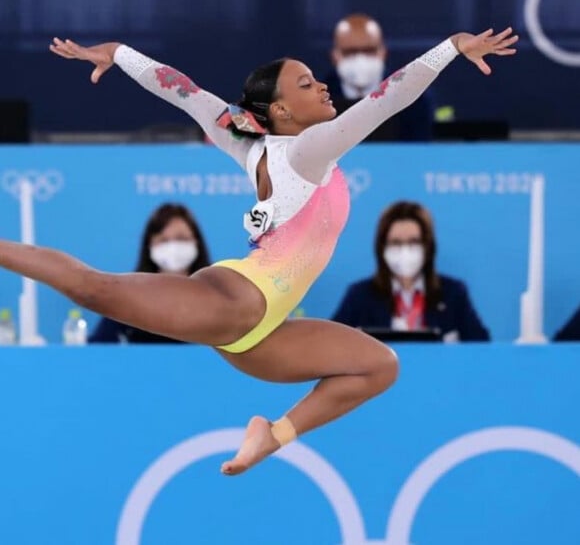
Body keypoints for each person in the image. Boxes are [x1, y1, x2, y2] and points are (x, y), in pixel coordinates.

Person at [0, 25, 515, 476]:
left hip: (262, 335)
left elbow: (185, 93)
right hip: (234, 305)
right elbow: (388, 99)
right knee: (96, 289)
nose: (323, 86)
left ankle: (273, 435)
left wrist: (119, 53)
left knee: (379, 366)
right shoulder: (311, 150)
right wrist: (450, 48)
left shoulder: (249, 145)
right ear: (283, 110)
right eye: (308, 83)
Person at [332, 201, 490, 342]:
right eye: (396, 243)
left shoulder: (453, 293)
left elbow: (481, 349)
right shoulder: (360, 295)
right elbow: (332, 345)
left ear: (428, 246)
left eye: (413, 242)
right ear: (382, 247)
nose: (404, 251)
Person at [89, 203, 211, 343]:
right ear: (150, 246)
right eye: (163, 240)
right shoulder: (129, 295)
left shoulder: (214, 292)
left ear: (196, 242)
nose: (173, 247)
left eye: (181, 238)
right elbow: (99, 348)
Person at [326, 13, 434, 141]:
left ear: (383, 52)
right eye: (350, 52)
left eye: (369, 51)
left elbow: (419, 151)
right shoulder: (317, 98)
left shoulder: (413, 96)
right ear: (335, 55)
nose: (360, 59)